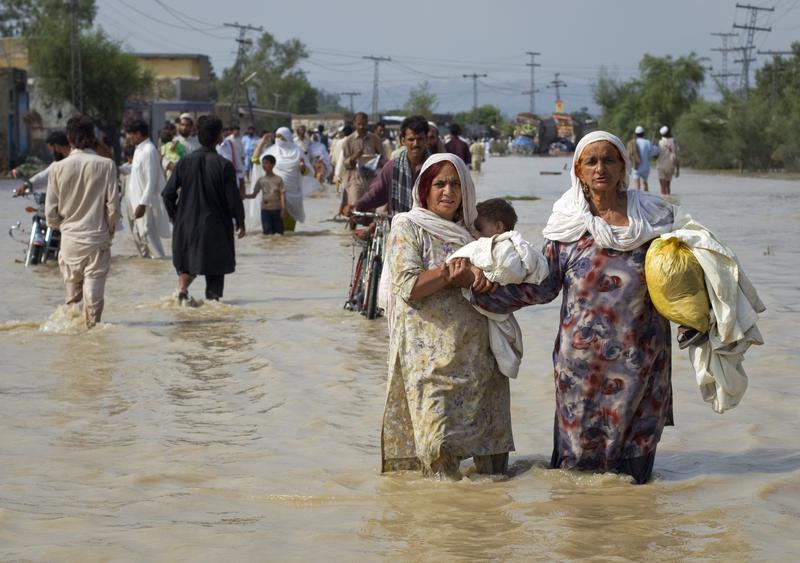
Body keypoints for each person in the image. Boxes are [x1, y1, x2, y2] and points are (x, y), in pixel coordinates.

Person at [471, 131, 680, 484]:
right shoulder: (567, 225)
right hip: (581, 369)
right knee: (575, 477)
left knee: (634, 478)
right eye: (591, 161)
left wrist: (704, 322)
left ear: (623, 166)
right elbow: (543, 286)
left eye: (609, 160)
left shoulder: (652, 220)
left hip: (642, 363)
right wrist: (478, 292)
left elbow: (677, 282)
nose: (601, 168)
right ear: (578, 170)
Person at [381, 152, 514, 479]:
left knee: (492, 470)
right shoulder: (408, 226)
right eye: (439, 184)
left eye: (456, 184)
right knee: (438, 451)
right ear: (424, 189)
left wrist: (484, 278)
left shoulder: (474, 232)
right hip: (431, 362)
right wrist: (447, 274)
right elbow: (407, 285)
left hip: (479, 359)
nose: (448, 191)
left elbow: (507, 278)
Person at [447, 198, 549, 379]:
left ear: (499, 227)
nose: (474, 234)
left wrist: (486, 273)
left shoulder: (504, 247)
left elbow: (508, 268)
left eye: (479, 228)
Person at [45, 115, 120, 328]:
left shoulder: (57, 168)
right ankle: (92, 332)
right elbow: (114, 208)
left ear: (69, 139)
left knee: (71, 299)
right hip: (96, 238)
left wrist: (62, 228)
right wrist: (109, 232)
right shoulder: (107, 165)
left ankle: (71, 337)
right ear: (93, 137)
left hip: (70, 241)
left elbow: (50, 212)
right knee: (93, 298)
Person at [162, 115, 245, 303]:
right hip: (216, 227)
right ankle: (213, 312)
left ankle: (182, 290)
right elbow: (233, 200)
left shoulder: (184, 162)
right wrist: (240, 221)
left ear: (198, 135)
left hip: (186, 225)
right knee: (215, 273)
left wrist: (175, 216)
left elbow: (167, 193)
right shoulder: (224, 166)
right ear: (219, 137)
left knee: (187, 264)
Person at [355, 115, 429, 215]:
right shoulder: (392, 167)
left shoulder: (435, 167)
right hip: (398, 223)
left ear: (426, 140)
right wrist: (358, 205)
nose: (415, 144)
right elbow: (375, 193)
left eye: (420, 139)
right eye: (411, 139)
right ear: (403, 141)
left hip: (427, 222)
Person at [124, 119, 171, 259]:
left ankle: (160, 266)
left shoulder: (149, 150)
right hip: (135, 203)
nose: (128, 137)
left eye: (130, 134)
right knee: (141, 240)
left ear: (138, 134)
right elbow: (135, 171)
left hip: (144, 205)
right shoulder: (139, 150)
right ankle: (149, 269)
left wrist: (142, 204)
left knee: (151, 241)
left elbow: (152, 180)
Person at [262, 127, 311, 231]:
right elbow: (257, 162)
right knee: (276, 229)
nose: (278, 139)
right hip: (275, 194)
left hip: (293, 194)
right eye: (276, 136)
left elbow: (307, 172)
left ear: (288, 137)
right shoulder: (271, 151)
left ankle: (288, 240)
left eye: (281, 137)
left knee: (289, 230)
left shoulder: (298, 152)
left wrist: (302, 167)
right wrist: (262, 143)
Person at [340, 112, 384, 215]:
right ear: (354, 124)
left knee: (370, 209)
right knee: (355, 208)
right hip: (355, 178)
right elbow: (345, 163)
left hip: (371, 178)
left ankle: (367, 224)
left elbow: (382, 157)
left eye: (363, 124)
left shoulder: (375, 139)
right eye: (359, 124)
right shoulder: (349, 141)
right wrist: (355, 156)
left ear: (367, 123)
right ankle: (353, 223)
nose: (361, 126)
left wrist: (376, 161)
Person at [14, 131, 70, 195]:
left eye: (51, 150)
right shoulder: (62, 162)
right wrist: (27, 185)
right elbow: (43, 176)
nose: (52, 153)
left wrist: (26, 185)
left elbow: (44, 176)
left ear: (57, 146)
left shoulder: (60, 165)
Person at [244, 154, 286, 235]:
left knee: (279, 234)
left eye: (266, 163)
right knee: (267, 234)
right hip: (265, 210)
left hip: (277, 210)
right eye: (263, 163)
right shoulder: (261, 180)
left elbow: (282, 195)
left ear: (273, 164)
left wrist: (283, 209)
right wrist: (244, 196)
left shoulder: (278, 179)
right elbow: (254, 195)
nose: (263, 165)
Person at [629, 125, 659, 191]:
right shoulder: (647, 142)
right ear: (643, 133)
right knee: (645, 183)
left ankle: (638, 197)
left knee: (637, 186)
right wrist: (655, 146)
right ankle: (646, 196)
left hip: (636, 167)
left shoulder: (633, 143)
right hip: (645, 167)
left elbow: (630, 155)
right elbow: (653, 153)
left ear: (636, 134)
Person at [656, 125, 680, 196]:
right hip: (671, 166)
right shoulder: (674, 142)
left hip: (661, 167)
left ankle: (664, 201)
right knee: (668, 187)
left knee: (662, 188)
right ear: (669, 132)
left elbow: (655, 155)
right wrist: (678, 169)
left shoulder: (659, 143)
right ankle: (669, 201)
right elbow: (676, 155)